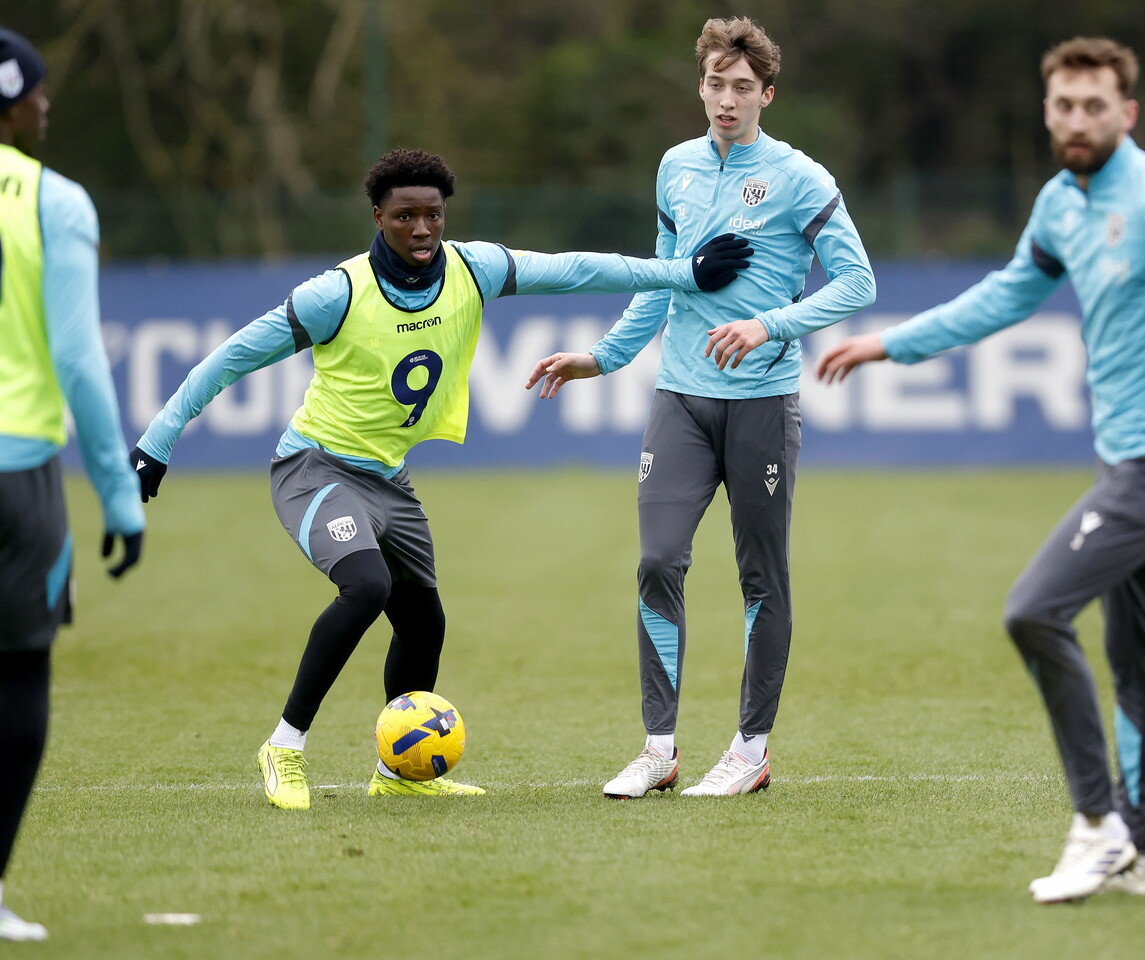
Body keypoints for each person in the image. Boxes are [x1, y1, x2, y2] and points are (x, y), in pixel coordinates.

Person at [130, 147, 752, 811]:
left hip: (389, 482)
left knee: (424, 623)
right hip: (314, 468)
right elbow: (229, 359)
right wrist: (157, 442)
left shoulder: (472, 269)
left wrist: (682, 274)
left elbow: (576, 270)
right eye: (405, 216)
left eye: (432, 214)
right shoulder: (335, 295)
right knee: (365, 585)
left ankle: (396, 772)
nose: (422, 228)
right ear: (378, 216)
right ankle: (283, 746)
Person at [816, 36, 1145, 903]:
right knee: (1138, 659)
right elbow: (1005, 297)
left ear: (1127, 113)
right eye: (1063, 105)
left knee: (1034, 611)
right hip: (1131, 458)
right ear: (1046, 110)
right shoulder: (1062, 205)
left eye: (1094, 106)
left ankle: (1097, 826)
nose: (1077, 120)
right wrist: (890, 342)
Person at [526, 17, 876, 799]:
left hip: (761, 406)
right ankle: (659, 749)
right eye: (715, 85)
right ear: (701, 86)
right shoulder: (676, 167)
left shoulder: (802, 178)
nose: (726, 100)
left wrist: (768, 325)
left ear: (768, 94)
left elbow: (859, 284)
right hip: (678, 400)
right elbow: (663, 278)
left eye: (742, 88)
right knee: (657, 560)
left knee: (762, 578)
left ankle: (750, 749)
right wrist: (604, 357)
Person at [0, 28, 145, 942]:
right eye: (39, 92)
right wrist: (118, 492)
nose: (48, 105)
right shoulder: (53, 201)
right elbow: (80, 362)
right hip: (18, 482)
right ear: (12, 100)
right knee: (16, 682)